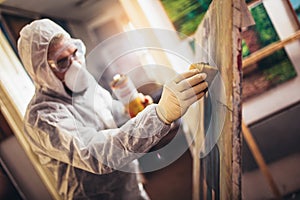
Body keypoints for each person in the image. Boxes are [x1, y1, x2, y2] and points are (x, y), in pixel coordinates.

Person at [17, 18, 208, 200]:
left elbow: (112, 112)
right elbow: (96, 154)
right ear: (42, 71)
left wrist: (132, 110)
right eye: (62, 61)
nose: (75, 64)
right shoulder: (43, 117)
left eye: (74, 53)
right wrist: (159, 115)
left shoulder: (85, 87)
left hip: (129, 186)